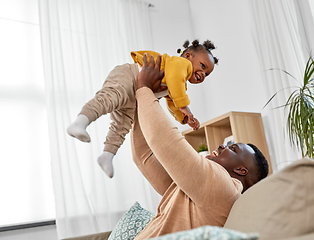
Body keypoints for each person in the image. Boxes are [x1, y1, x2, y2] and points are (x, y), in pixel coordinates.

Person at [132, 54, 269, 239]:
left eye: (233, 148)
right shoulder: (196, 189)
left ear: (241, 170)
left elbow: (163, 140)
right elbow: (144, 156)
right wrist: (144, 96)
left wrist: (144, 89)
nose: (221, 146)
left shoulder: (225, 187)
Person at [66, 39, 218, 178]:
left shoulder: (180, 84)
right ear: (188, 56)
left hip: (136, 93)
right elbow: (176, 85)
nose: (203, 74)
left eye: (207, 74)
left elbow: (172, 103)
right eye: (202, 66)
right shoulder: (179, 64)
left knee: (122, 125)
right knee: (110, 98)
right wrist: (185, 108)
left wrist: (183, 117)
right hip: (130, 75)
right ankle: (80, 122)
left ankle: (107, 154)